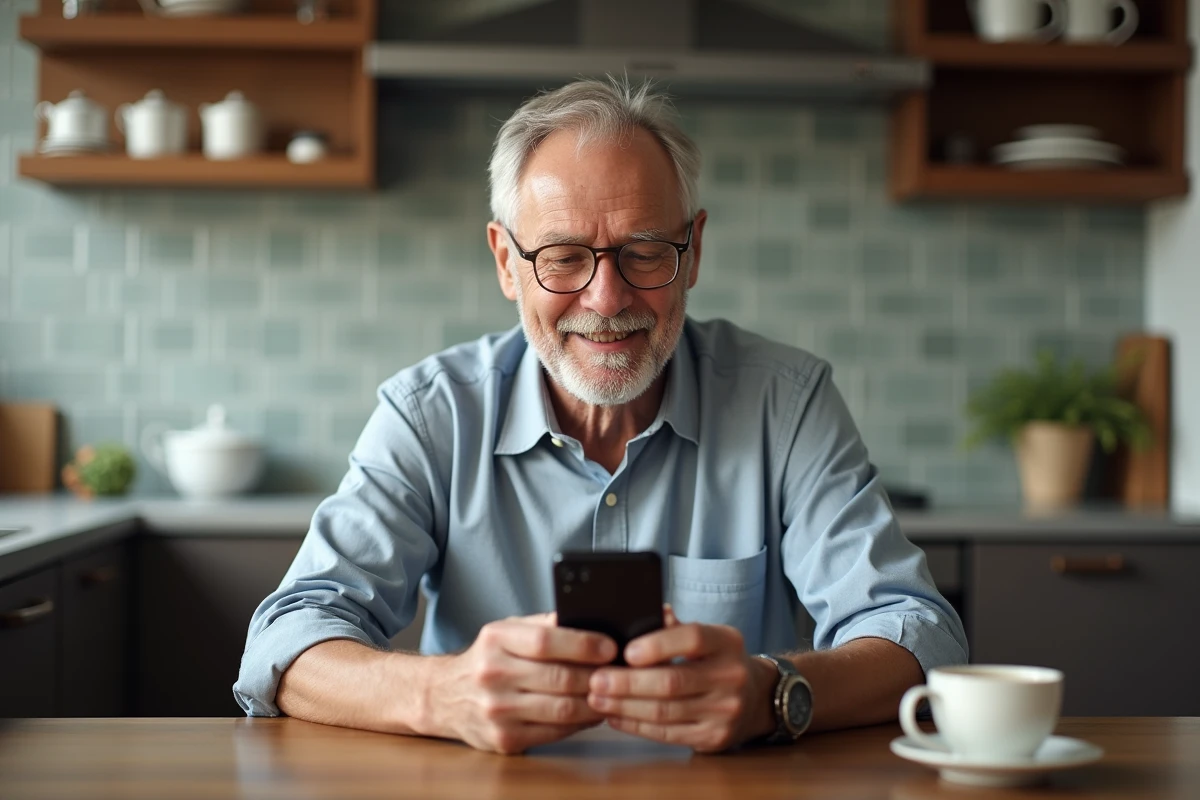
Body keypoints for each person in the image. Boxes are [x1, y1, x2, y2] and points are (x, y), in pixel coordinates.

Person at [234, 77, 967, 755]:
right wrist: (439, 693)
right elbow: (287, 641)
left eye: (645, 252)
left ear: (695, 249)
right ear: (505, 261)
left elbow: (921, 635)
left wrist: (771, 693)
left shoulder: (788, 401)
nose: (607, 299)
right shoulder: (431, 414)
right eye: (562, 257)